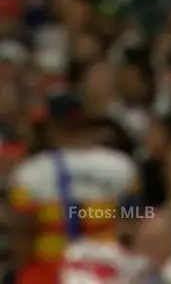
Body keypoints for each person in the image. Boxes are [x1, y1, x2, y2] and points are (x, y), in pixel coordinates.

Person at [8, 93, 139, 284]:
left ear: (51, 127)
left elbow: (23, 236)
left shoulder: (29, 173)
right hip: (107, 272)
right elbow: (133, 219)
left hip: (47, 274)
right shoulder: (121, 166)